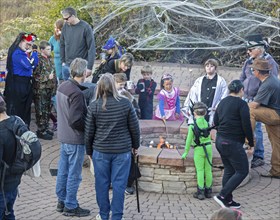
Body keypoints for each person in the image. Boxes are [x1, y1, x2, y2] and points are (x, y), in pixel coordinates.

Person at [85, 73, 140, 220]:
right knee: (119, 185)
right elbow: (135, 128)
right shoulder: (125, 103)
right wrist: (136, 146)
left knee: (101, 184)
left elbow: (89, 132)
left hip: (101, 151)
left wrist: (89, 151)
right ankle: (117, 216)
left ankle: (103, 215)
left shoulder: (94, 106)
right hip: (122, 152)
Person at [55, 58, 90, 217]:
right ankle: (70, 205)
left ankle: (61, 201)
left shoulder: (62, 86)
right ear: (83, 73)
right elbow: (75, 120)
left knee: (63, 171)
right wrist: (89, 128)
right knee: (74, 174)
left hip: (63, 136)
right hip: (75, 139)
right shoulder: (76, 93)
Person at [213, 80, 254, 209]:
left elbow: (215, 121)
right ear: (241, 90)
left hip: (220, 141)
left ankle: (228, 201)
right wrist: (251, 144)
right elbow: (246, 125)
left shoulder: (222, 102)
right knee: (242, 171)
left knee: (230, 170)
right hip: (233, 143)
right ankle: (223, 195)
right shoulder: (242, 104)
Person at [240, 34, 279, 168]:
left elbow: (269, 84)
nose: (248, 52)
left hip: (259, 101)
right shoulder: (248, 61)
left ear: (259, 49)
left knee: (255, 127)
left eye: (250, 49)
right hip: (246, 98)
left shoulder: (269, 63)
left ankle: (258, 155)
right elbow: (242, 78)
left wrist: (259, 100)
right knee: (247, 123)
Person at [248, 58, 280, 179]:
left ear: (257, 72)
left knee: (249, 111)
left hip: (275, 114)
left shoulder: (267, 84)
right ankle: (277, 171)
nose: (252, 71)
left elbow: (255, 105)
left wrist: (240, 105)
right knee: (277, 143)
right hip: (276, 112)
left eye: (253, 69)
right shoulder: (271, 80)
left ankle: (248, 141)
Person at [4, 32, 39, 127]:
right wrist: (35, 53)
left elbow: (33, 64)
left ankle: (24, 126)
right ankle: (18, 128)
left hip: (25, 83)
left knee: (25, 107)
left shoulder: (22, 52)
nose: (29, 47)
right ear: (21, 41)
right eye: (27, 44)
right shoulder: (17, 53)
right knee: (18, 108)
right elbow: (30, 65)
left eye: (31, 45)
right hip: (18, 84)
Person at [181, 102, 213, 200]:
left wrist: (185, 152)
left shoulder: (192, 126)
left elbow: (188, 140)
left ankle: (200, 192)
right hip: (208, 148)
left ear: (194, 113)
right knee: (208, 170)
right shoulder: (207, 123)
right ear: (205, 113)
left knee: (200, 170)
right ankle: (209, 191)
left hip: (199, 149)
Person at [182, 58, 228, 125]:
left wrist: (217, 107)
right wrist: (192, 107)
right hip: (200, 112)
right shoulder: (199, 80)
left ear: (215, 68)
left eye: (211, 66)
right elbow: (193, 94)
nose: (209, 68)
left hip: (213, 112)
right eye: (207, 66)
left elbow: (224, 95)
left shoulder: (221, 81)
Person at [0, 95, 23, 220]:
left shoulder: (1, 132)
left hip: (2, 188)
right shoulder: (16, 122)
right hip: (13, 183)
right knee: (9, 213)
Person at [60, 7, 95, 80]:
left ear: (73, 16)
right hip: (67, 65)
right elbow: (62, 44)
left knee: (78, 90)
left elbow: (91, 48)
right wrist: (63, 61)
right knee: (67, 89)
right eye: (64, 19)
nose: (65, 21)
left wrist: (89, 67)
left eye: (66, 19)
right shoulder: (65, 27)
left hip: (80, 67)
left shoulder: (85, 27)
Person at [33, 40, 57, 140]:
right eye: (47, 49)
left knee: (47, 110)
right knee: (41, 111)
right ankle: (41, 130)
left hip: (49, 89)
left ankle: (46, 128)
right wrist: (47, 77)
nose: (49, 51)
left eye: (50, 49)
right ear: (42, 50)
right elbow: (35, 75)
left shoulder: (49, 59)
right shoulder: (38, 59)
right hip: (40, 90)